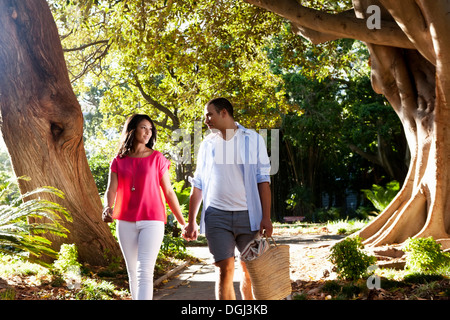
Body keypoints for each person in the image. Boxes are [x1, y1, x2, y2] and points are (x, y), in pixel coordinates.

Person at [184, 97, 273, 300]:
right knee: (225, 270)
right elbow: (198, 184)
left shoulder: (252, 139)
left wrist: (266, 217)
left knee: (250, 271)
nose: (206, 120)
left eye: (209, 114)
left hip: (248, 216)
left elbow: (263, 180)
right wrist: (191, 222)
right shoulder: (208, 144)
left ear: (224, 113)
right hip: (217, 216)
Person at [102, 114, 186, 300]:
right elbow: (111, 189)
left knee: (144, 270)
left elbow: (169, 193)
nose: (148, 132)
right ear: (132, 129)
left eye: (150, 129)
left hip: (152, 220)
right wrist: (108, 207)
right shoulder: (118, 160)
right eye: (143, 128)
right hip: (124, 221)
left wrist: (182, 223)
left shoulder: (157, 158)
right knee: (132, 271)